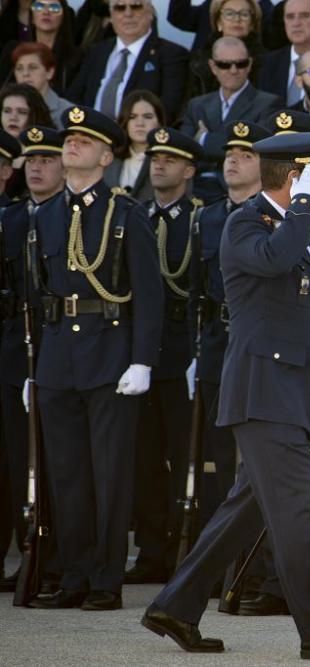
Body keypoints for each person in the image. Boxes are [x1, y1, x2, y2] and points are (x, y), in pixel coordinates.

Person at [141, 132, 310, 662]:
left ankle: (175, 607)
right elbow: (274, 261)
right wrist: (306, 205)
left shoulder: (293, 225)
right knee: (297, 514)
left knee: (244, 512)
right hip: (265, 395)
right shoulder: (248, 221)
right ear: (296, 176)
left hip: (297, 394)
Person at [26, 105, 163, 611]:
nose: (72, 146)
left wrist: (142, 359)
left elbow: (149, 295)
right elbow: (35, 297)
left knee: (109, 473)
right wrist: (33, 368)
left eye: (84, 141)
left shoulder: (126, 213)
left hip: (110, 353)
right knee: (66, 473)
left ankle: (106, 578)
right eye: (69, 140)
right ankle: (74, 573)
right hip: (59, 356)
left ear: (106, 155)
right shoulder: (46, 215)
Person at [126, 128, 205, 585]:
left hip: (181, 350)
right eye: (154, 158)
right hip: (142, 350)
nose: (159, 165)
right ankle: (151, 551)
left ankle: (185, 549)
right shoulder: (135, 216)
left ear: (189, 170)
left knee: (184, 456)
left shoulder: (197, 218)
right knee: (146, 457)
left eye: (171, 159)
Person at [186, 119, 269, 526]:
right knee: (220, 452)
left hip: (260, 340)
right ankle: (223, 552)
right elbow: (196, 291)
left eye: (246, 155)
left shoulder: (274, 216)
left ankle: (258, 559)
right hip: (219, 342)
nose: (233, 162)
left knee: (258, 451)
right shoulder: (207, 219)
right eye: (229, 155)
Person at [0, 128, 41, 591]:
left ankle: (31, 555)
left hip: (24, 347)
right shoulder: (11, 217)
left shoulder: (28, 219)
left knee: (19, 460)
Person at [179, 36, 283, 203]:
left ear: (249, 64)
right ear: (213, 67)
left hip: (239, 193)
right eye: (224, 65)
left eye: (240, 64)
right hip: (194, 188)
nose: (233, 70)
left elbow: (258, 151)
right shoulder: (197, 105)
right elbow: (184, 151)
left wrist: (204, 139)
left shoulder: (268, 103)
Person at [67, 0, 189, 124]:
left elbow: (168, 110)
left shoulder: (171, 55)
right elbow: (74, 97)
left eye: (136, 6)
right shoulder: (96, 52)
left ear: (150, 13)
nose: (128, 14)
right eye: (120, 8)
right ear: (111, 16)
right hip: (89, 134)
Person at [184, 0, 266, 101]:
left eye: (244, 14)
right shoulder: (199, 60)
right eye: (229, 14)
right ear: (218, 22)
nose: (237, 19)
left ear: (252, 24)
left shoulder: (267, 62)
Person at [0, 0, 79, 94]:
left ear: (63, 17)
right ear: (32, 17)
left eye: (54, 8)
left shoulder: (76, 59)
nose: (46, 12)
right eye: (38, 6)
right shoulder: (12, 50)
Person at [104, 90, 161, 203]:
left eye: (148, 117)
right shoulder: (109, 159)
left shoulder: (165, 161)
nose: (140, 123)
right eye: (132, 117)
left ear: (159, 122)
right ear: (125, 121)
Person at [10, 42, 74, 127]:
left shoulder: (67, 112)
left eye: (33, 67)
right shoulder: (7, 110)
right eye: (19, 68)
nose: (25, 73)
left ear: (49, 72)